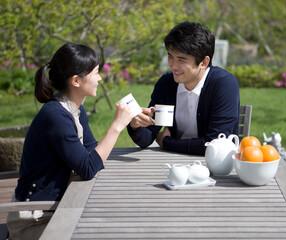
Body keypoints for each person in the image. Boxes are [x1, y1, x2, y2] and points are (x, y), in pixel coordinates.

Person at [7, 43, 133, 239]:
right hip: (36, 217)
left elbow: (92, 151)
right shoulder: (55, 115)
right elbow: (89, 167)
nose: (100, 78)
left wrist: (132, 118)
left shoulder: (75, 108)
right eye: (96, 73)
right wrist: (117, 126)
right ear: (76, 80)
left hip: (60, 206)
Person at [127, 21, 240, 155]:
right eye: (170, 56)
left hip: (214, 168)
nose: (173, 65)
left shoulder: (224, 84)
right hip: (172, 163)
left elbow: (213, 145)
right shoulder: (167, 83)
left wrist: (167, 142)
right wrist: (135, 126)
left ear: (204, 62)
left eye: (181, 59)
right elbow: (148, 138)